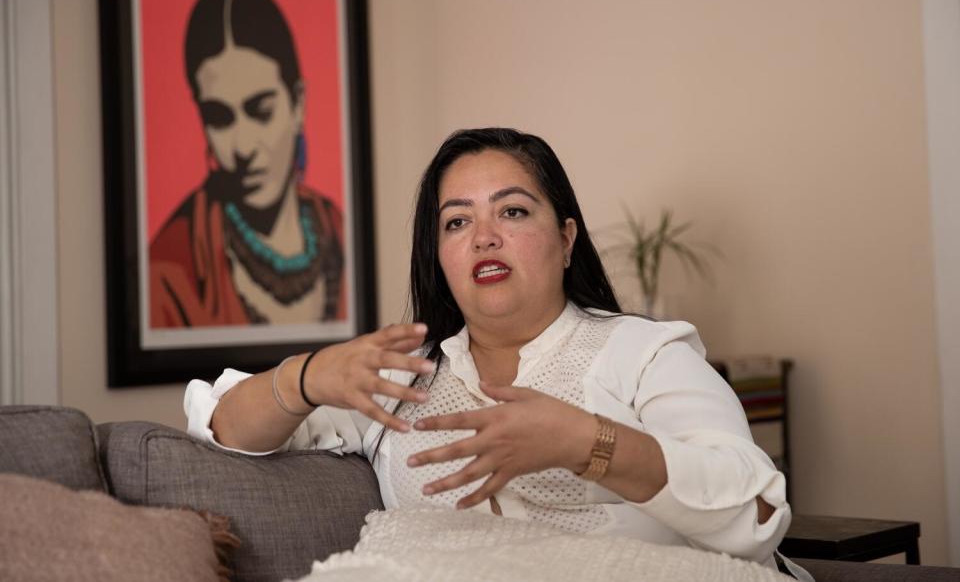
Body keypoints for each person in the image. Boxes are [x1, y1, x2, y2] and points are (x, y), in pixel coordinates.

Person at [185, 128, 798, 574]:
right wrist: (307, 378)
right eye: (457, 222)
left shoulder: (643, 352)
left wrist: (589, 444)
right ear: (440, 256)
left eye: (512, 211)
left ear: (565, 239)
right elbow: (225, 427)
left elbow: (756, 516)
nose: (484, 237)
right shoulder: (401, 375)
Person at [150, 0, 345, 328]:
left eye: (260, 111)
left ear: (298, 103)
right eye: (219, 118)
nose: (241, 147)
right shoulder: (170, 267)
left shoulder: (339, 230)